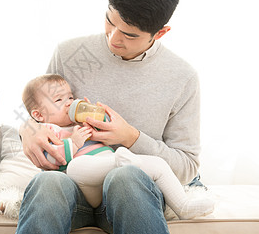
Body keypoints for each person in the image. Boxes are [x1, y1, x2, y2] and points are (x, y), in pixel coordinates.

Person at [13, 0, 202, 234]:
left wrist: (131, 138)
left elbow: (187, 167)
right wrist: (27, 130)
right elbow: (36, 111)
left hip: (131, 195)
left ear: (160, 33)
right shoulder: (71, 54)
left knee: (125, 176)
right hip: (72, 187)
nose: (114, 38)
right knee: (47, 184)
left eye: (129, 34)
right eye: (109, 21)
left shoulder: (182, 77)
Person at [22, 73, 214, 218]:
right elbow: (50, 159)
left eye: (70, 97)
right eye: (59, 100)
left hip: (112, 179)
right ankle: (118, 162)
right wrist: (73, 142)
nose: (68, 104)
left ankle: (183, 206)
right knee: (75, 167)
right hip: (83, 186)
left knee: (157, 163)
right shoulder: (46, 129)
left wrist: (95, 115)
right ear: (38, 114)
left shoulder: (82, 123)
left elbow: (106, 126)